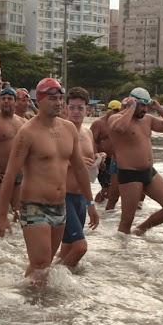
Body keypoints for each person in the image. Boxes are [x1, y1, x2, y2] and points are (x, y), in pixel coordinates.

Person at [0, 79, 98, 285]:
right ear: (39, 101)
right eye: (52, 99)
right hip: (34, 206)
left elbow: (79, 168)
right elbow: (10, 174)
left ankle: (25, 299)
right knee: (41, 264)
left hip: (59, 206)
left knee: (43, 264)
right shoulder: (27, 133)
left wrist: (90, 203)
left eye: (60, 98)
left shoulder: (69, 129)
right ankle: (36, 309)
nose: (58, 103)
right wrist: (2, 215)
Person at [109, 87, 163, 235]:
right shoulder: (115, 118)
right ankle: (121, 253)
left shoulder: (147, 120)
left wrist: (159, 108)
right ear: (132, 102)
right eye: (142, 106)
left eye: (147, 106)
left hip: (149, 173)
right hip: (130, 175)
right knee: (126, 222)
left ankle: (140, 230)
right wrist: (131, 107)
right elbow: (121, 128)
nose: (145, 109)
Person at [57, 87, 99, 270]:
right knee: (80, 247)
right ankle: (54, 282)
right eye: (72, 107)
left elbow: (89, 165)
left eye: (80, 108)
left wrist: (99, 160)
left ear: (87, 110)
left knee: (66, 248)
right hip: (63, 195)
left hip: (81, 197)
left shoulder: (88, 133)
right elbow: (49, 161)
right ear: (66, 108)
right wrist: (75, 161)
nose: (76, 112)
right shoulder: (59, 131)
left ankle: (46, 278)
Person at [0, 86, 26, 216]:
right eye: (3, 98)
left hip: (18, 176)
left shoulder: (23, 122)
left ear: (15, 102)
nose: (6, 101)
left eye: (10, 98)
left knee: (18, 215)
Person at [92, 100, 121, 206]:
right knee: (106, 189)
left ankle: (104, 212)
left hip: (114, 160)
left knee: (113, 189)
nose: (117, 113)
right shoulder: (98, 123)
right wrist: (98, 160)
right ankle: (95, 207)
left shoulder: (118, 123)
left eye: (119, 111)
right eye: (115, 111)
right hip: (102, 159)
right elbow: (91, 141)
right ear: (109, 110)